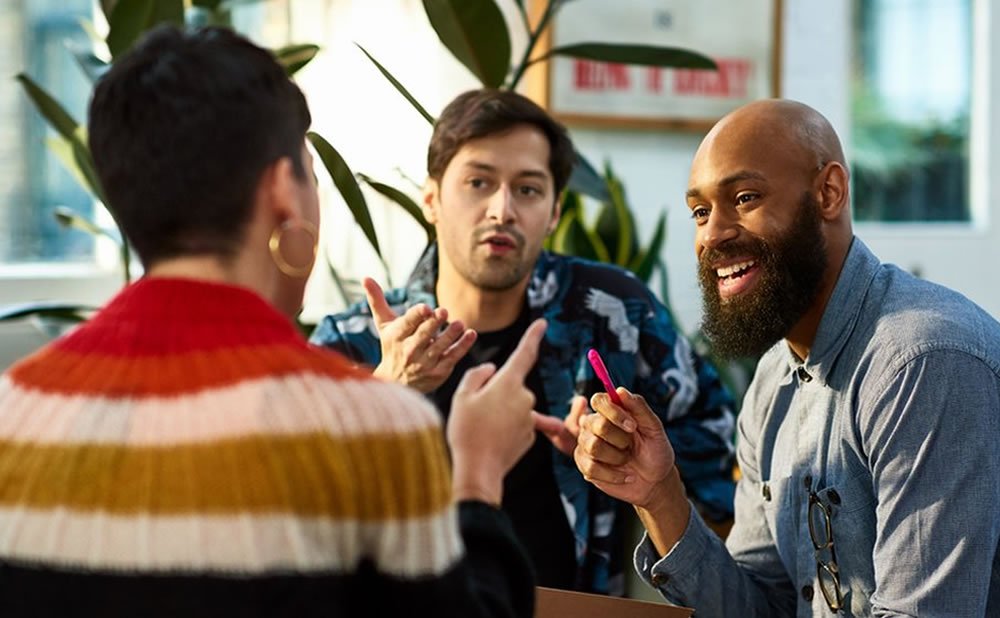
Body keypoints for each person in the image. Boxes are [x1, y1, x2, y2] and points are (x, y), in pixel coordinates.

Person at [0, 26, 545, 617]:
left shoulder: (13, 408)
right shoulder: (378, 427)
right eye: (309, 172)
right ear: (285, 191)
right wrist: (478, 476)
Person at [574, 98, 1000, 615]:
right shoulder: (773, 378)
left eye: (745, 197)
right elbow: (764, 606)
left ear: (829, 192)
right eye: (700, 212)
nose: (712, 233)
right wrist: (659, 496)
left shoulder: (922, 362)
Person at [310, 88, 736, 594]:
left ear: (555, 212)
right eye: (477, 182)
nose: (501, 210)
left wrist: (627, 451)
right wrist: (385, 392)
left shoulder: (611, 312)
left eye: (528, 189)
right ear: (431, 199)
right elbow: (284, 518)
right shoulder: (355, 343)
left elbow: (721, 453)